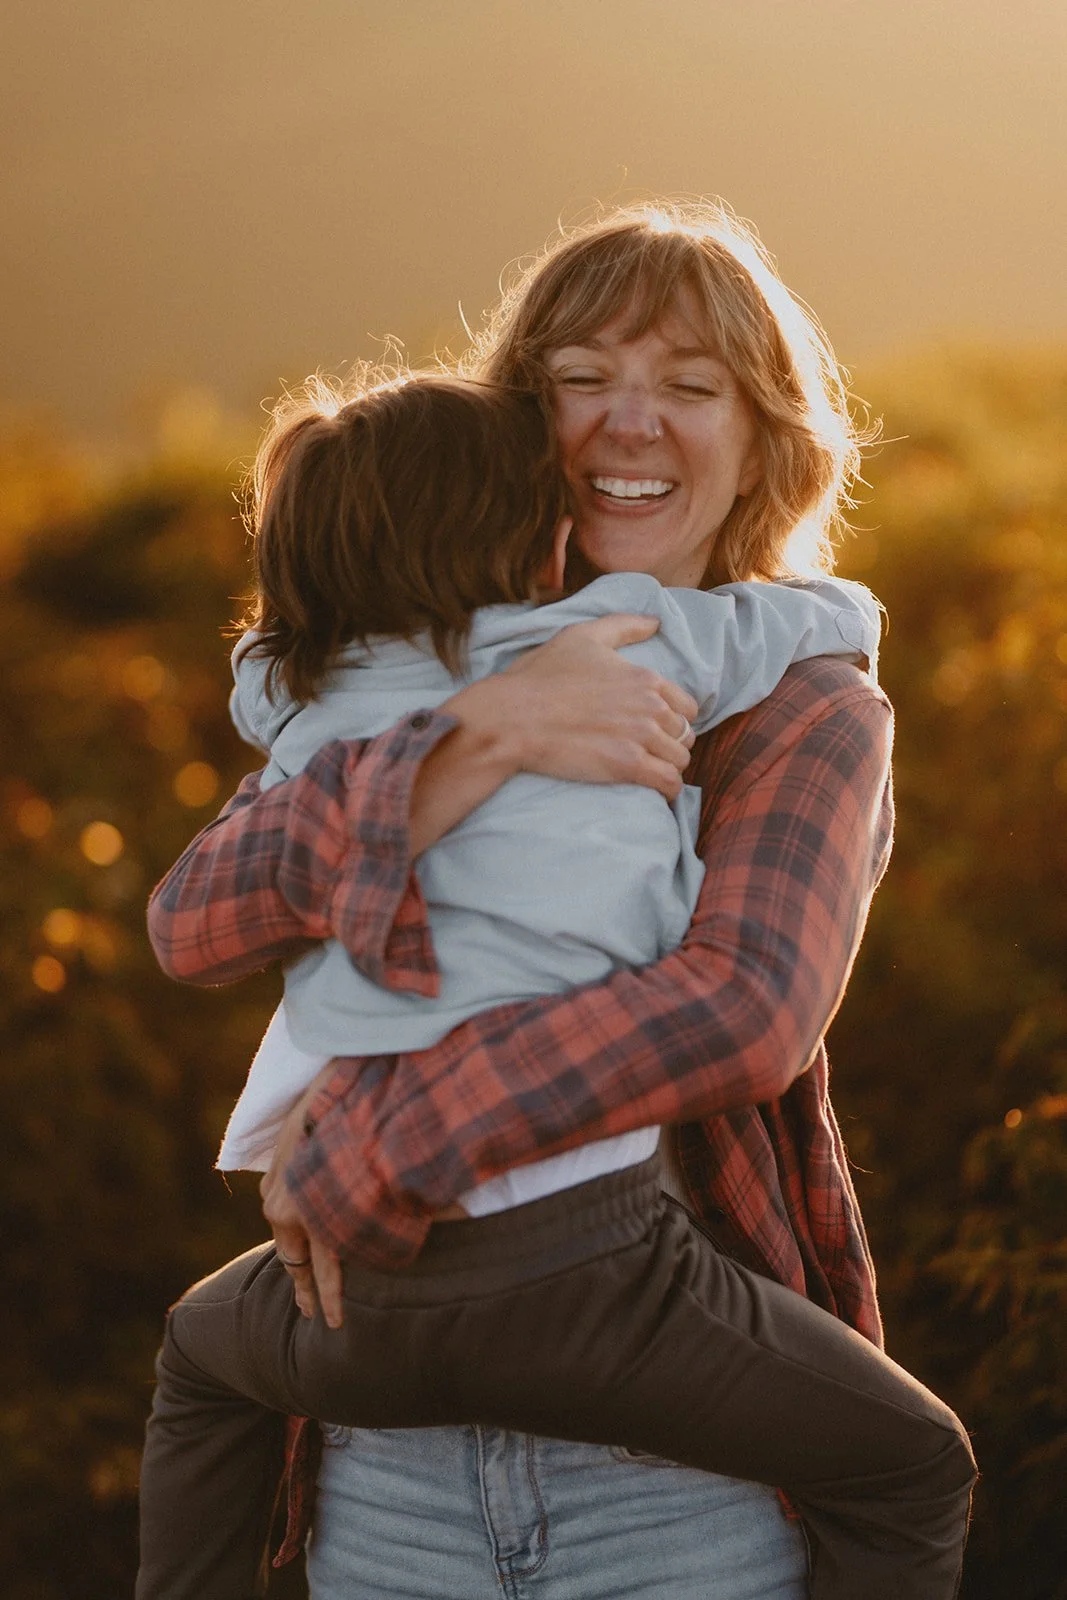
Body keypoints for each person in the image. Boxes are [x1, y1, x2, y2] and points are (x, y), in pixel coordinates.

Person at [141, 202, 977, 1600]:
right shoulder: (411, 659)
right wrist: (490, 733)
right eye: (583, 379)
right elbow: (195, 920)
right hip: (385, 1478)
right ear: (519, 425)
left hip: (666, 1496)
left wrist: (405, 1128)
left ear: (765, 441)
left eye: (689, 388)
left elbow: (742, 1007)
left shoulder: (799, 711)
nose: (628, 423)